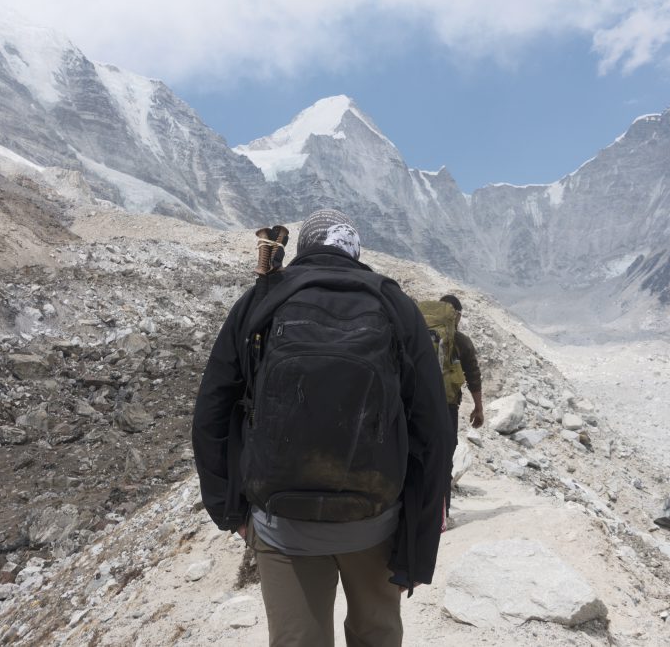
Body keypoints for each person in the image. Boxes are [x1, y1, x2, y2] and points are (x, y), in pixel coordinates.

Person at [193, 209, 451, 647]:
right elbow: (434, 429)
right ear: (355, 251)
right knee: (377, 636)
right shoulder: (395, 305)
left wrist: (230, 512)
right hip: (376, 521)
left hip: (281, 525)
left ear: (302, 249)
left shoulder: (262, 300)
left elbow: (212, 413)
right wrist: (420, 529)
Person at [438, 294, 483, 521]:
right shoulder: (461, 341)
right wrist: (478, 408)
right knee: (444, 459)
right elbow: (473, 375)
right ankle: (441, 516)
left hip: (416, 406)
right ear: (457, 315)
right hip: (446, 407)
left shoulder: (419, 332)